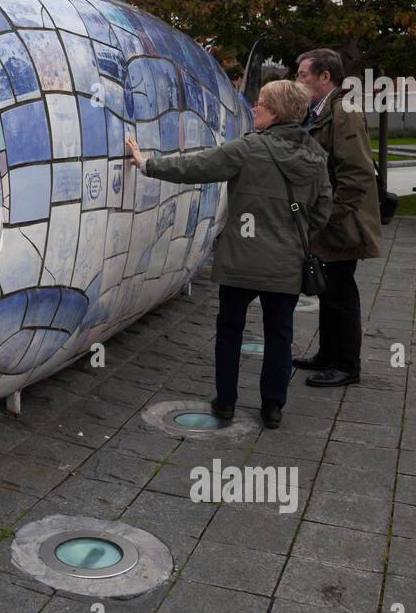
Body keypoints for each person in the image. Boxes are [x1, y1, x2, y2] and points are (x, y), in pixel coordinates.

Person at [126, 80, 331, 428]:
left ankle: (225, 403)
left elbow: (197, 166)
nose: (254, 106)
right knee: (280, 335)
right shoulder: (315, 156)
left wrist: (147, 165)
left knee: (230, 330)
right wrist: (293, 238)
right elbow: (324, 209)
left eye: (261, 103)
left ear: (276, 113)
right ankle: (272, 407)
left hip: (241, 260)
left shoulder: (249, 149)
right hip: (285, 264)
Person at [292, 48, 382, 387]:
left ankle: (346, 365)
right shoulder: (320, 111)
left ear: (324, 77)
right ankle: (328, 355)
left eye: (303, 74)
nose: (297, 80)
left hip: (340, 222)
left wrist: (329, 216)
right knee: (327, 290)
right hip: (327, 218)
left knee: (340, 291)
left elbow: (356, 173)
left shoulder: (344, 110)